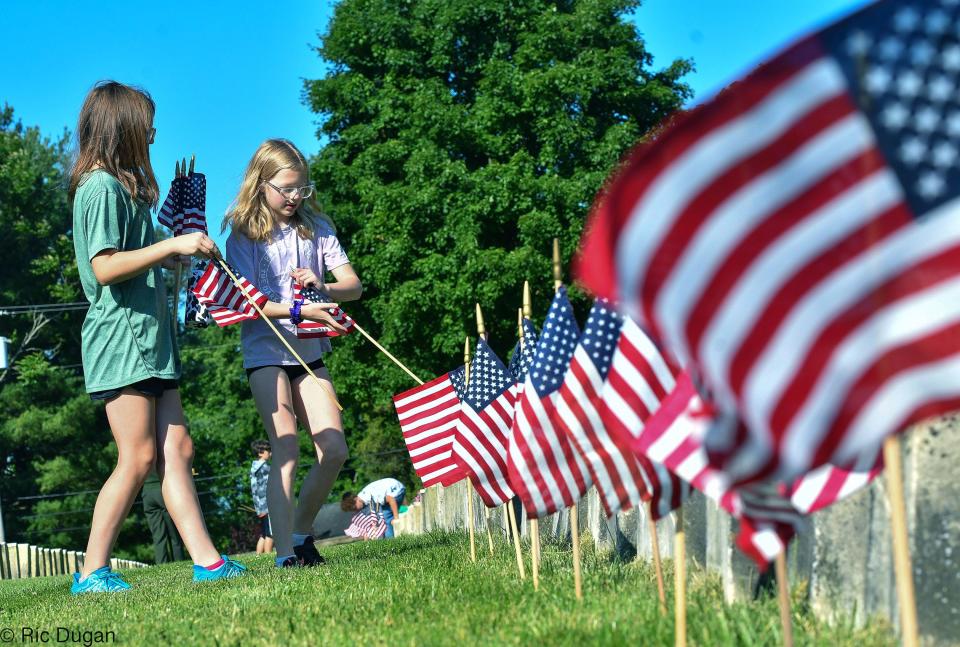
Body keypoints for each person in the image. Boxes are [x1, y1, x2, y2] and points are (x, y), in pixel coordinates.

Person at [68, 80, 246, 593]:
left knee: (179, 448)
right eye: (146, 123)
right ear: (121, 125)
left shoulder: (122, 189)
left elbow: (134, 257)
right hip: (122, 341)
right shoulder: (99, 187)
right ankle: (92, 571)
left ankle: (209, 562)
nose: (153, 132)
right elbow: (104, 267)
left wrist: (170, 255)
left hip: (151, 340)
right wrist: (172, 241)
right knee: (139, 457)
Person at [224, 139, 362, 568]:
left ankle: (301, 534)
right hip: (267, 352)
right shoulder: (243, 236)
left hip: (310, 351)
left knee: (335, 449)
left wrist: (323, 288)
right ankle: (285, 556)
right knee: (287, 449)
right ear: (261, 183)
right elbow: (252, 303)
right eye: (285, 189)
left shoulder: (316, 228)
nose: (294, 198)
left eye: (301, 188)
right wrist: (302, 307)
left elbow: (353, 287)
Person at [142, 471, 185, 563]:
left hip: (147, 493)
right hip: (163, 489)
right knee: (174, 533)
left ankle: (161, 563)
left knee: (158, 535)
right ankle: (179, 561)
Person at [340, 478, 406, 539]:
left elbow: (391, 499)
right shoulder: (363, 500)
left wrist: (396, 518)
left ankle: (391, 542)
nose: (356, 511)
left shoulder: (370, 497)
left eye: (355, 508)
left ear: (356, 499)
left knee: (385, 517)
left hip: (397, 490)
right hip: (393, 490)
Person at [249, 440, 274, 554]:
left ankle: (258, 556)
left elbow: (255, 490)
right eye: (268, 450)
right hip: (267, 505)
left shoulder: (254, 467)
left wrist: (258, 507)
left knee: (264, 533)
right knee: (270, 533)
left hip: (260, 505)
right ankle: (268, 556)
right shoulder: (264, 468)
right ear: (260, 453)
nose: (270, 452)